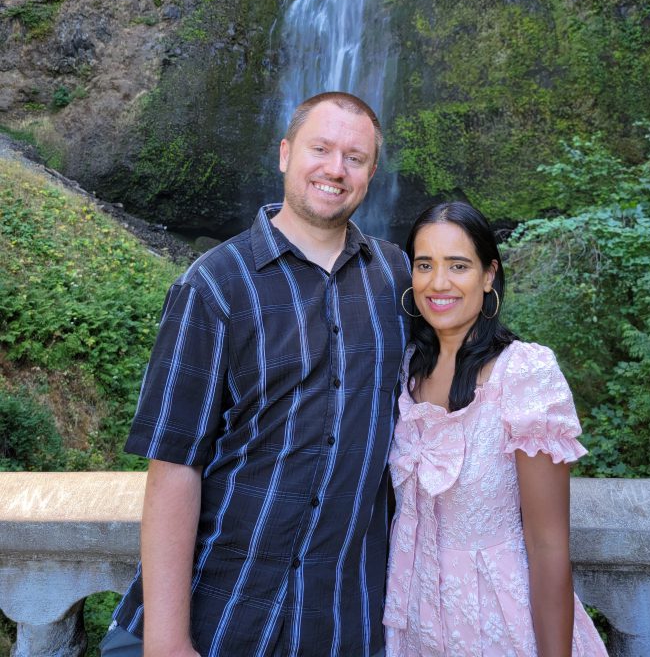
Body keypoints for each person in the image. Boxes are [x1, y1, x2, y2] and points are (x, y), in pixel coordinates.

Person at [101, 92, 410, 657]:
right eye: (321, 149)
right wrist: (168, 641)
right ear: (285, 154)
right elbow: (173, 465)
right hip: (220, 613)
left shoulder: (394, 277)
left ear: (369, 174)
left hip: (343, 621)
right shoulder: (214, 284)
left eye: (355, 157)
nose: (335, 169)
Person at [383, 201, 609, 657]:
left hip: (500, 625)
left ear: (489, 275)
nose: (438, 283)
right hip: (411, 621)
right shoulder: (404, 369)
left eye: (458, 265)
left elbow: (548, 548)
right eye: (425, 265)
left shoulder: (524, 374)